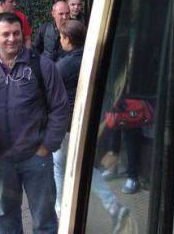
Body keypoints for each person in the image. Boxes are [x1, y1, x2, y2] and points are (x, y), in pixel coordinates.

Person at [0, 12, 69, 234]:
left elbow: (60, 108)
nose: (12, 39)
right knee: (6, 214)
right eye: (5, 34)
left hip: (36, 157)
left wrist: (47, 147)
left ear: (23, 34)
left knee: (44, 219)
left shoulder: (42, 66)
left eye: (16, 33)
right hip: (1, 158)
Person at [52, 20, 129, 230]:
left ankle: (60, 211)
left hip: (67, 125)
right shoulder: (94, 58)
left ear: (68, 39)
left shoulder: (65, 65)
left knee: (59, 164)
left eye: (62, 37)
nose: (60, 40)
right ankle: (113, 206)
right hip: (91, 122)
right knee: (83, 166)